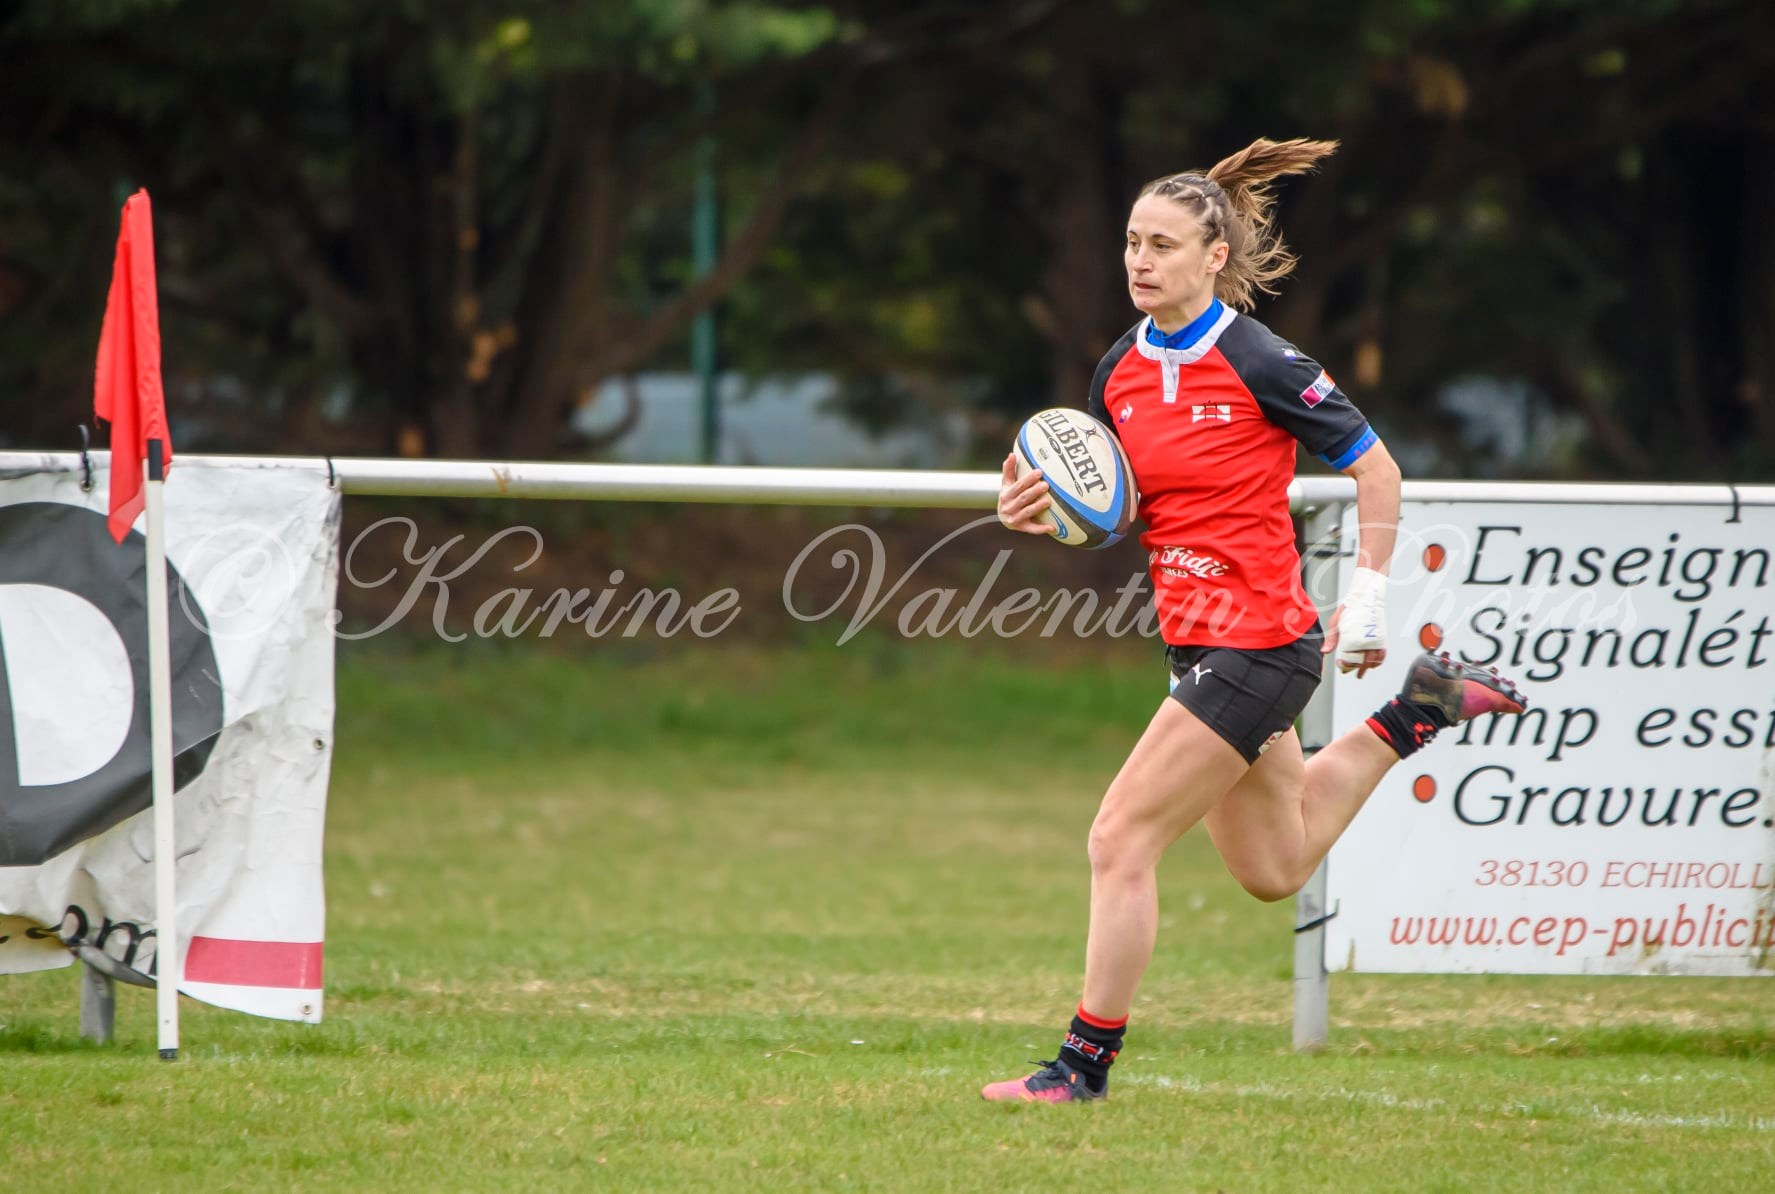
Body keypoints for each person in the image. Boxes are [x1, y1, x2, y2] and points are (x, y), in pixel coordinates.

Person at [981, 137, 1528, 1103]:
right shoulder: (1117, 371)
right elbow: (1128, 507)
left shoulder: (1262, 360)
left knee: (1118, 839)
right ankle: (1421, 708)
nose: (1139, 261)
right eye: (1131, 242)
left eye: (1161, 245)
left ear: (1213, 257)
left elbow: (1376, 470)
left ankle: (1080, 1067)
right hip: (1195, 639)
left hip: (1259, 641)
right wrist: (1040, 508)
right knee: (1273, 867)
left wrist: (1367, 593)